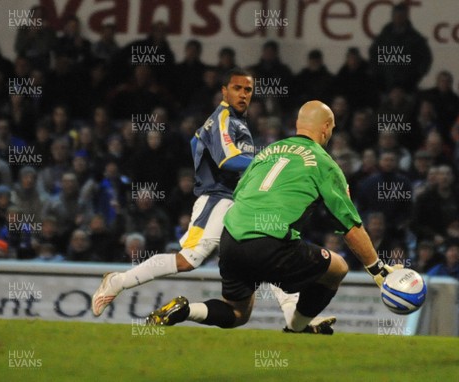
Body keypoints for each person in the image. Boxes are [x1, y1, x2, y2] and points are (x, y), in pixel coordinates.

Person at [91, 69, 326, 331]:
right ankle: (118, 281)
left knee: (269, 248)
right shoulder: (223, 118)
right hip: (218, 200)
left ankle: (296, 318)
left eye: (248, 90)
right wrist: (265, 160)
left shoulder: (236, 122)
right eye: (237, 88)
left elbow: (196, 142)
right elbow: (227, 159)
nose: (243, 94)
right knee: (188, 259)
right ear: (224, 91)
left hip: (238, 202)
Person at [146, 100, 402, 334]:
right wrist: (379, 272)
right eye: (332, 128)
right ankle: (296, 328)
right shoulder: (324, 163)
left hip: (232, 240)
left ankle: (185, 309)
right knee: (337, 268)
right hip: (270, 243)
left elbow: (240, 192)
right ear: (325, 128)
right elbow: (350, 226)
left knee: (237, 313)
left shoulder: (266, 153)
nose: (331, 133)